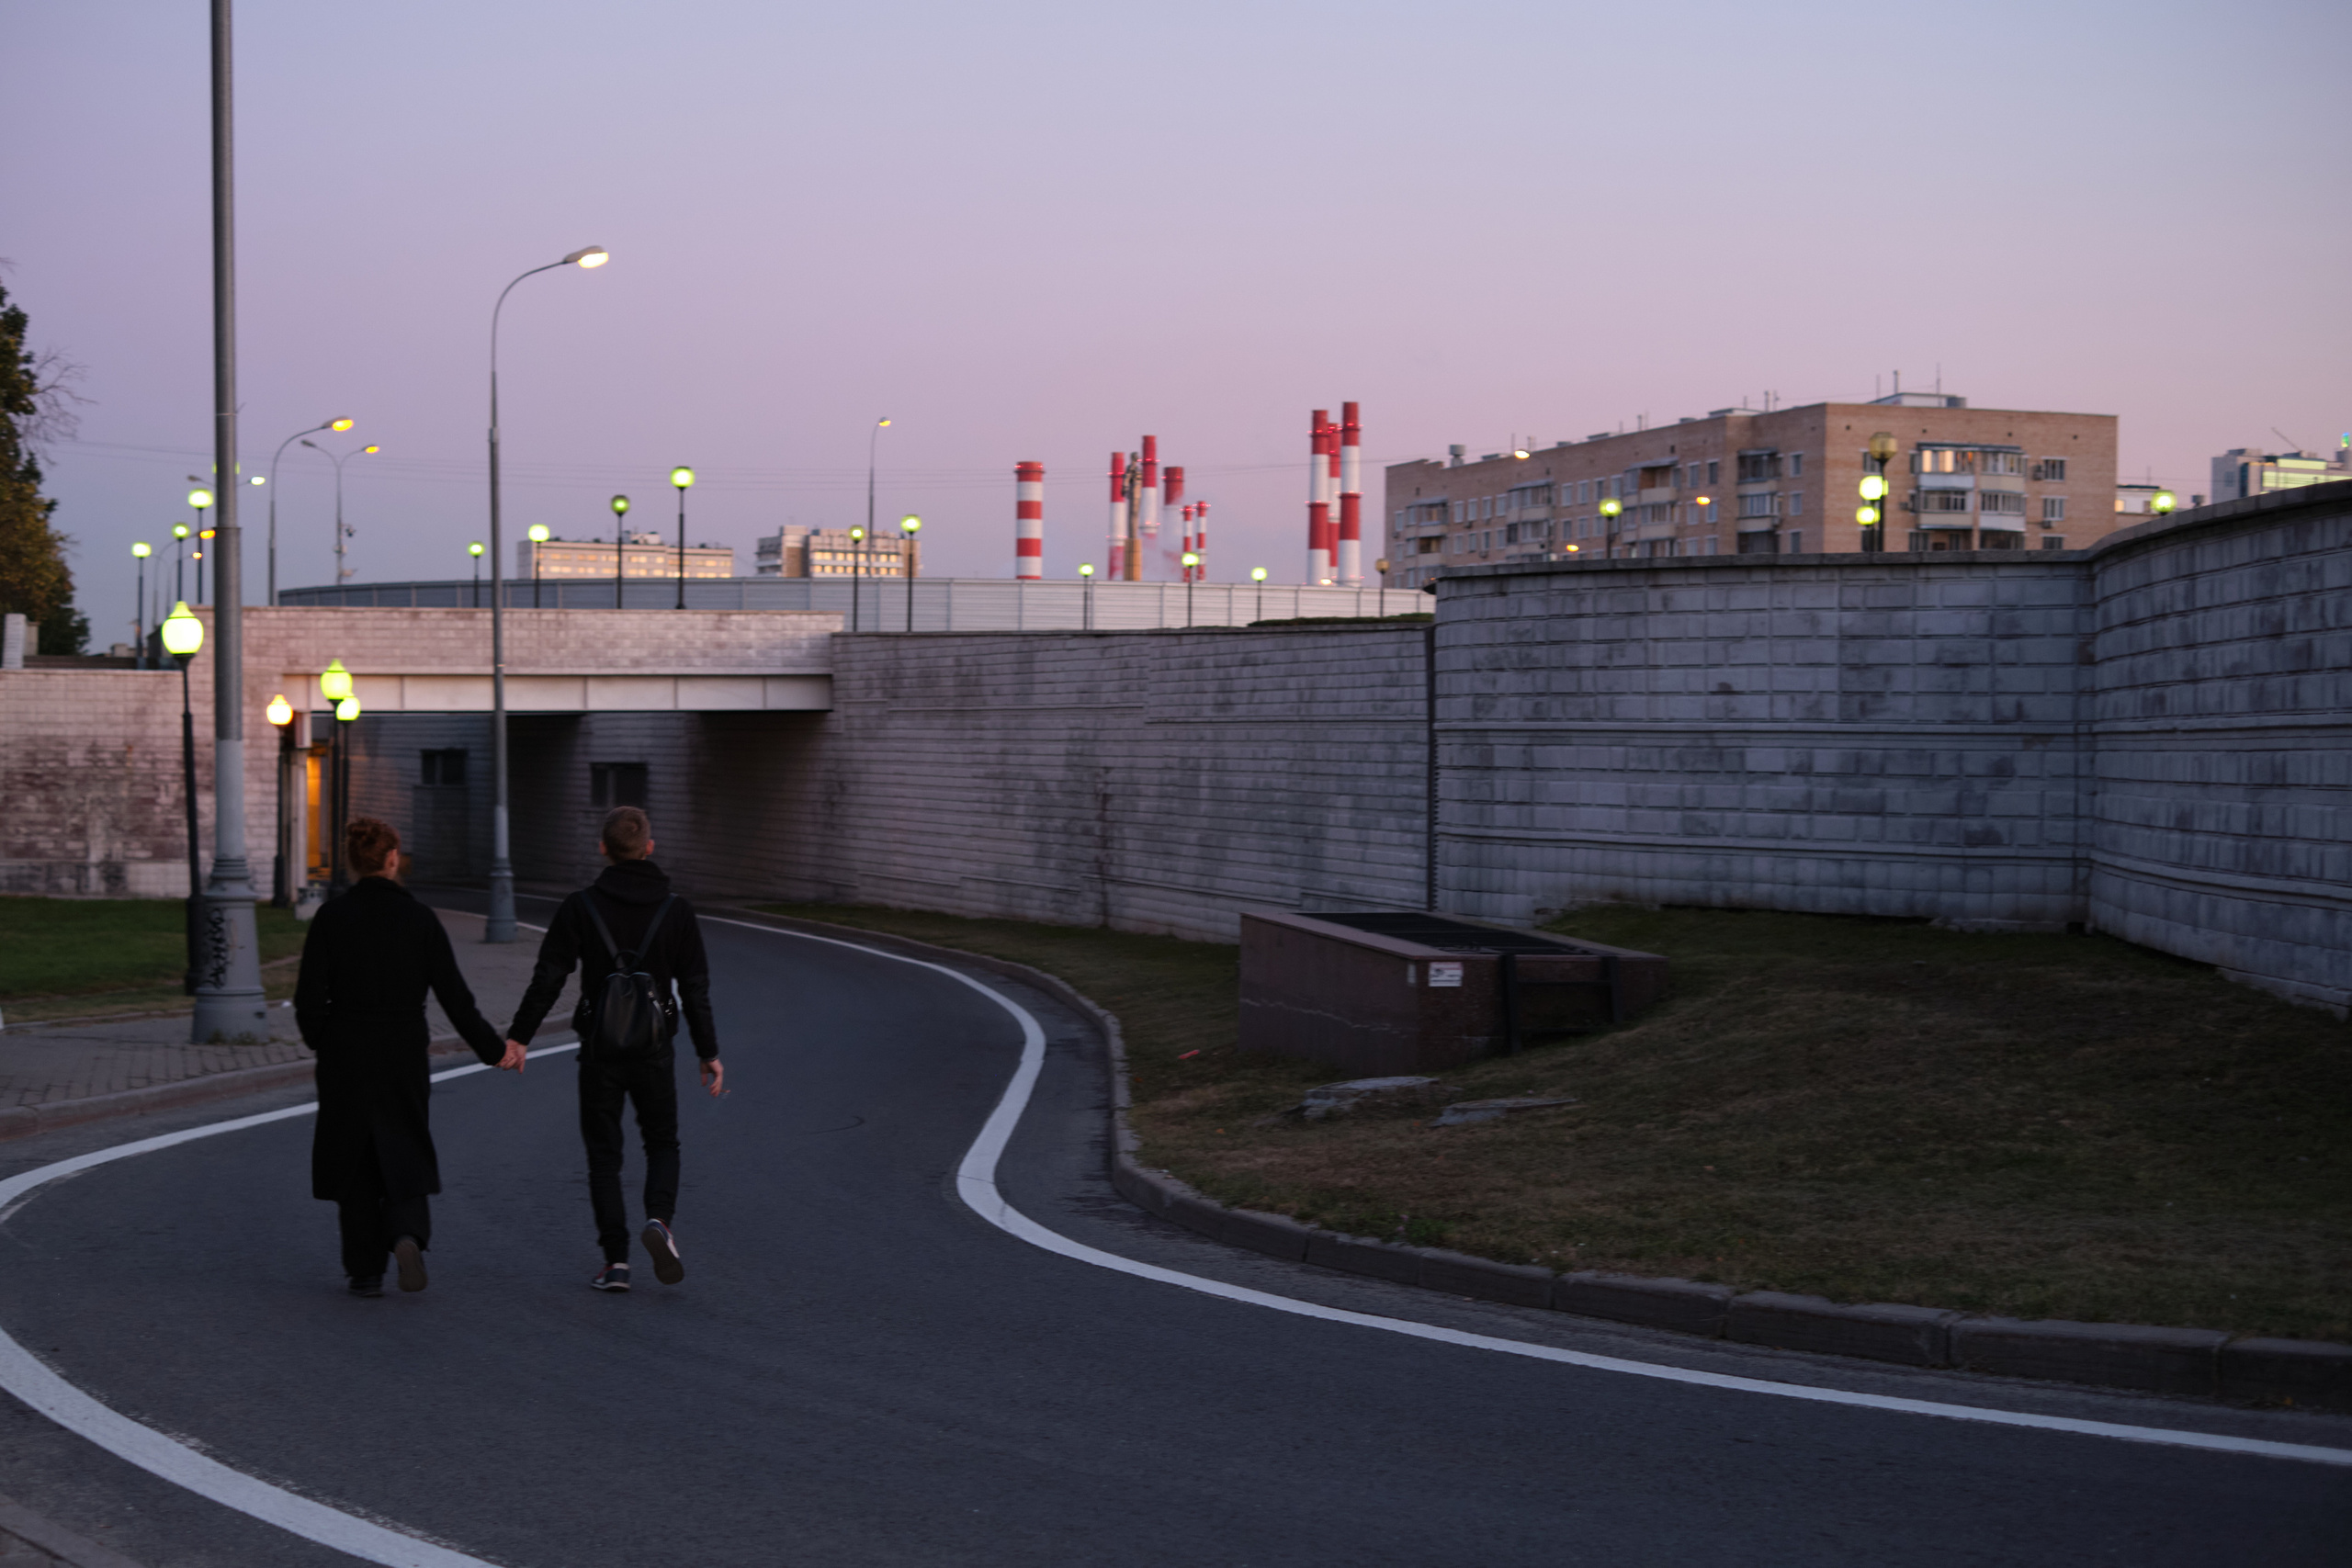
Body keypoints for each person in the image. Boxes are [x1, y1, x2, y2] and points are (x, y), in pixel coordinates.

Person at [294, 817, 521, 1297]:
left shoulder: (331, 918)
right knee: (404, 1142)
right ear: (393, 858)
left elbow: (309, 998)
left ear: (353, 862)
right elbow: (456, 999)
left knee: (355, 1155)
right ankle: (406, 1234)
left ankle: (364, 1270)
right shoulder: (419, 919)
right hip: (402, 1048)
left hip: (346, 1051)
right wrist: (495, 1050)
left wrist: (323, 1039)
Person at [505, 806, 722, 1292]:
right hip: (654, 1050)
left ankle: (616, 1263)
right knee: (662, 1142)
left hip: (600, 1051)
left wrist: (519, 1037)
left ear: (603, 849)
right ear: (649, 847)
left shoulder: (580, 906)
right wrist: (708, 1052)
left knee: (605, 1156)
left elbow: (549, 978)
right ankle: (659, 1222)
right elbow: (695, 987)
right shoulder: (677, 910)